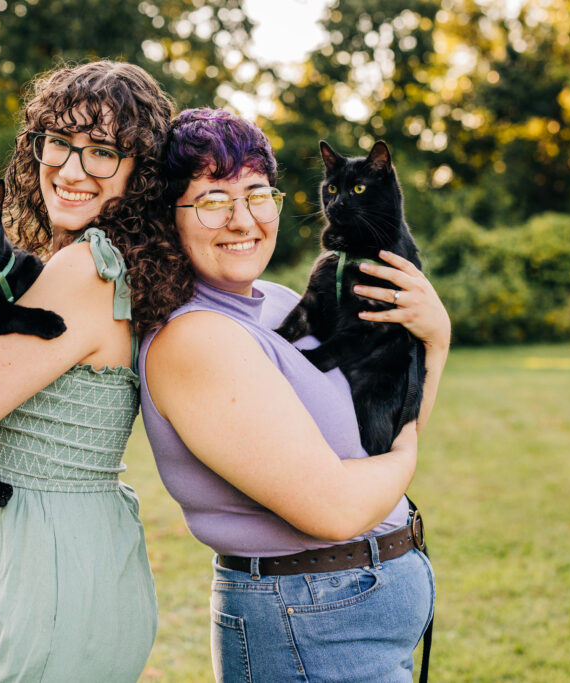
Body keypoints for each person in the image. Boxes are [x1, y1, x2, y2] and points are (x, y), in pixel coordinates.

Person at [139, 109, 451, 682]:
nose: (242, 219)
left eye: (257, 193)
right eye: (213, 200)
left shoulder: (284, 303)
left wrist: (436, 337)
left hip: (357, 612)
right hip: (308, 622)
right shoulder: (194, 337)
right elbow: (335, 509)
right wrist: (405, 461)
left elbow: (391, 415)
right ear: (170, 218)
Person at [0, 61, 183, 682]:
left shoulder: (80, 272)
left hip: (50, 572)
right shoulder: (105, 264)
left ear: (141, 174)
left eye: (103, 151)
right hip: (80, 558)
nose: (72, 168)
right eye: (59, 142)